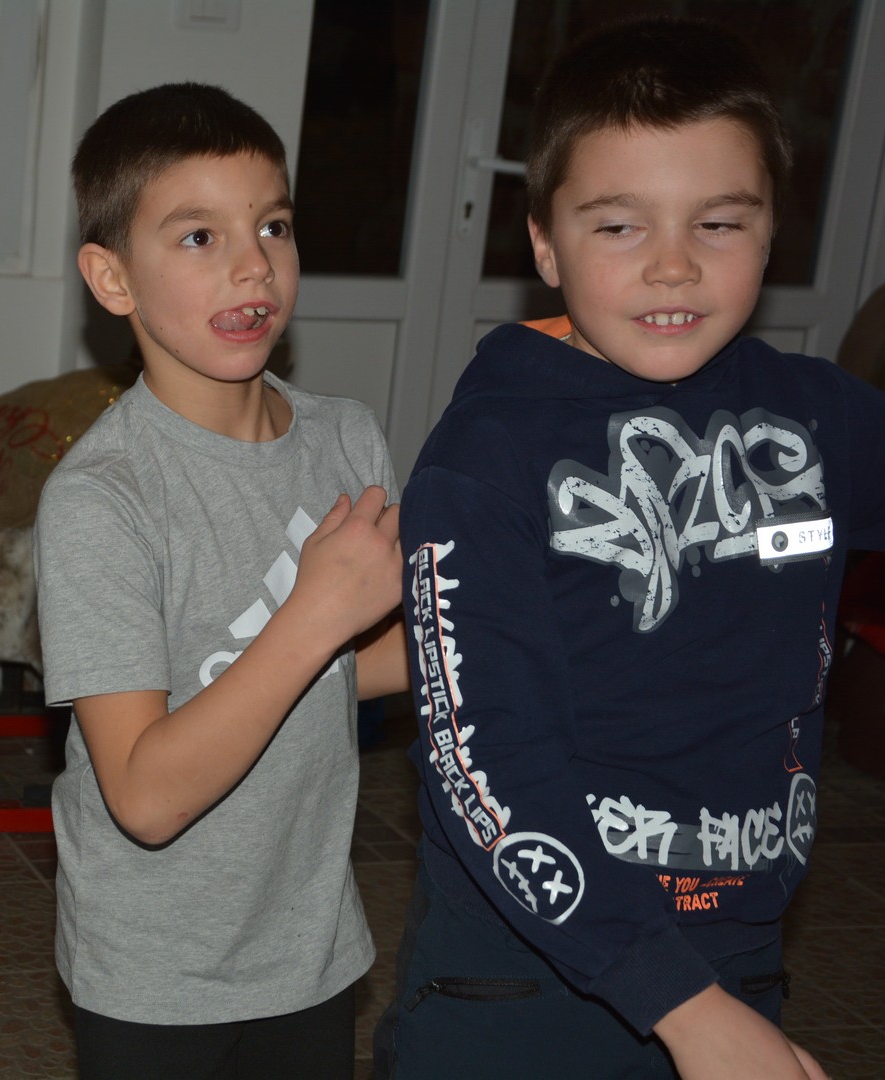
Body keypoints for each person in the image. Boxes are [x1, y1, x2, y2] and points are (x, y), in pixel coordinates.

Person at [375, 16, 885, 1080]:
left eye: (719, 223)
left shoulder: (820, 417)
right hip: (523, 988)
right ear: (544, 245)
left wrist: (710, 1005)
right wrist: (683, 1009)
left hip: (738, 954)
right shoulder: (485, 457)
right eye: (618, 226)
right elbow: (484, 761)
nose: (673, 265)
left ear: (771, 231)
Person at [35, 82, 406, 1079]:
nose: (254, 264)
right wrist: (315, 613)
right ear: (112, 279)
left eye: (272, 225)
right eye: (199, 237)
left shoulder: (346, 439)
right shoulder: (103, 500)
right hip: (157, 969)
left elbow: (359, 669)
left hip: (309, 942)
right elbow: (145, 796)